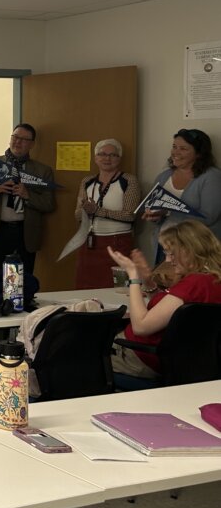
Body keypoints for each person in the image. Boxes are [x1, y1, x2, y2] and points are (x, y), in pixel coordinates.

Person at [107, 220, 221, 378]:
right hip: (182, 361)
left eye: (172, 253)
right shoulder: (212, 280)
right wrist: (147, 280)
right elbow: (171, 312)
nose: (168, 260)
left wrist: (133, 276)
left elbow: (140, 327)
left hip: (139, 357)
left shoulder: (194, 283)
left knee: (76, 353)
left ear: (189, 250)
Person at [0, 123, 56, 275]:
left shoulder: (43, 170)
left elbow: (49, 204)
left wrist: (28, 195)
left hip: (24, 234)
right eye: (15, 137)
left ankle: (18, 300)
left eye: (24, 139)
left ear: (32, 144)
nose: (18, 142)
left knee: (21, 280)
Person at [142, 129, 221, 257]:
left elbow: (209, 218)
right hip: (164, 247)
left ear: (199, 154)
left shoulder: (212, 177)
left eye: (183, 148)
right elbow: (157, 212)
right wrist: (154, 216)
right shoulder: (163, 176)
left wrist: (167, 211)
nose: (175, 152)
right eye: (174, 147)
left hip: (196, 251)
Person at [74, 138, 141, 289]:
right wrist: (85, 210)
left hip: (118, 242)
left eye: (113, 155)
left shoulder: (129, 180)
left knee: (117, 289)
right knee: (85, 288)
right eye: (102, 154)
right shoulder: (87, 181)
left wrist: (98, 211)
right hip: (89, 243)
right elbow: (77, 215)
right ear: (95, 158)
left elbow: (130, 215)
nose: (107, 158)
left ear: (120, 158)